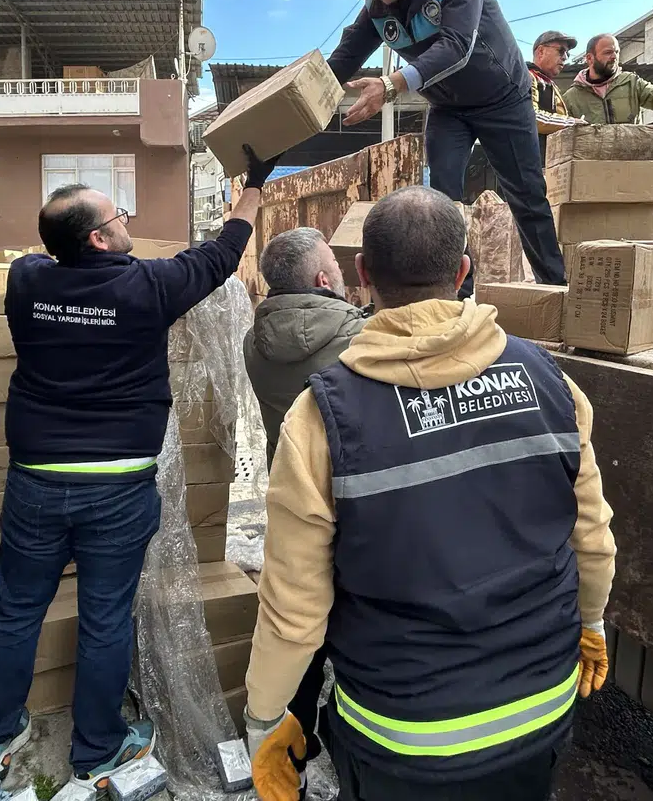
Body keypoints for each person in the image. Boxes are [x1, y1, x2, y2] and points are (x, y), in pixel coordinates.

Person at [242, 186, 617, 801]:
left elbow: (294, 604)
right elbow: (591, 535)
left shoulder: (321, 416)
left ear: (362, 275)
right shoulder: (552, 381)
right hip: (542, 706)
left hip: (405, 736)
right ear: (464, 272)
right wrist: (594, 620)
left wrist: (266, 718)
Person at [0, 147, 278, 792]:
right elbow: (223, 255)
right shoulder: (147, 288)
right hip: (118, 487)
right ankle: (97, 749)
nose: (128, 220)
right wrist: (252, 186)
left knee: (17, 606)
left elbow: (38, 260)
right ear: (101, 238)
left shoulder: (26, 282)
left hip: (36, 482)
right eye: (118, 216)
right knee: (105, 616)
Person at [324, 0, 566, 292]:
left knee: (526, 194)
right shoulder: (377, 5)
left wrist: (391, 85)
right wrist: (297, 98)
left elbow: (457, 45)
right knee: (441, 204)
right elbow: (340, 61)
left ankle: (556, 289)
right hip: (449, 108)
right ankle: (454, 295)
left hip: (502, 97)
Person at [243, 226, 370, 799]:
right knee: (354, 614)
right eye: (335, 269)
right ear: (324, 280)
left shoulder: (256, 341)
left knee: (300, 618)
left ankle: (295, 734)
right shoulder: (357, 338)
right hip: (350, 498)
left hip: (291, 492)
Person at [529, 29, 577, 124]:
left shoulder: (550, 84)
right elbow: (530, 116)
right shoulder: (527, 77)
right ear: (541, 51)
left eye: (567, 53)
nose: (565, 57)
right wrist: (571, 122)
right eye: (561, 50)